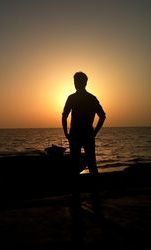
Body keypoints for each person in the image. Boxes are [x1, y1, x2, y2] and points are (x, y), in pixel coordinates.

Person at [62, 71, 106, 213]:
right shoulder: (89, 98)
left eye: (77, 82)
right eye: (75, 81)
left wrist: (67, 133)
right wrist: (67, 133)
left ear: (84, 82)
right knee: (87, 164)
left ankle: (84, 194)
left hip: (80, 134)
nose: (76, 84)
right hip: (82, 134)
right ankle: (89, 194)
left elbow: (64, 116)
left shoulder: (76, 98)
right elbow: (102, 116)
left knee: (83, 164)